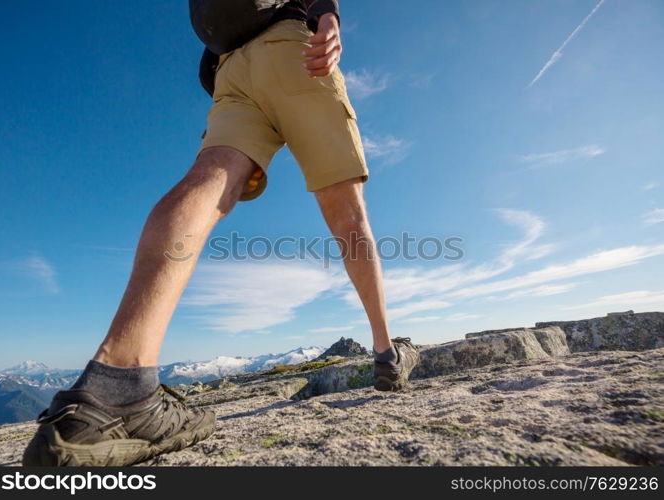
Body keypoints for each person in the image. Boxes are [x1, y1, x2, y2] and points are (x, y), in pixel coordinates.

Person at [22, 0, 419, 467]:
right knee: (347, 214)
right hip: (292, 50)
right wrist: (327, 14)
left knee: (205, 183)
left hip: (230, 71)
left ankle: (117, 384)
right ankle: (387, 353)